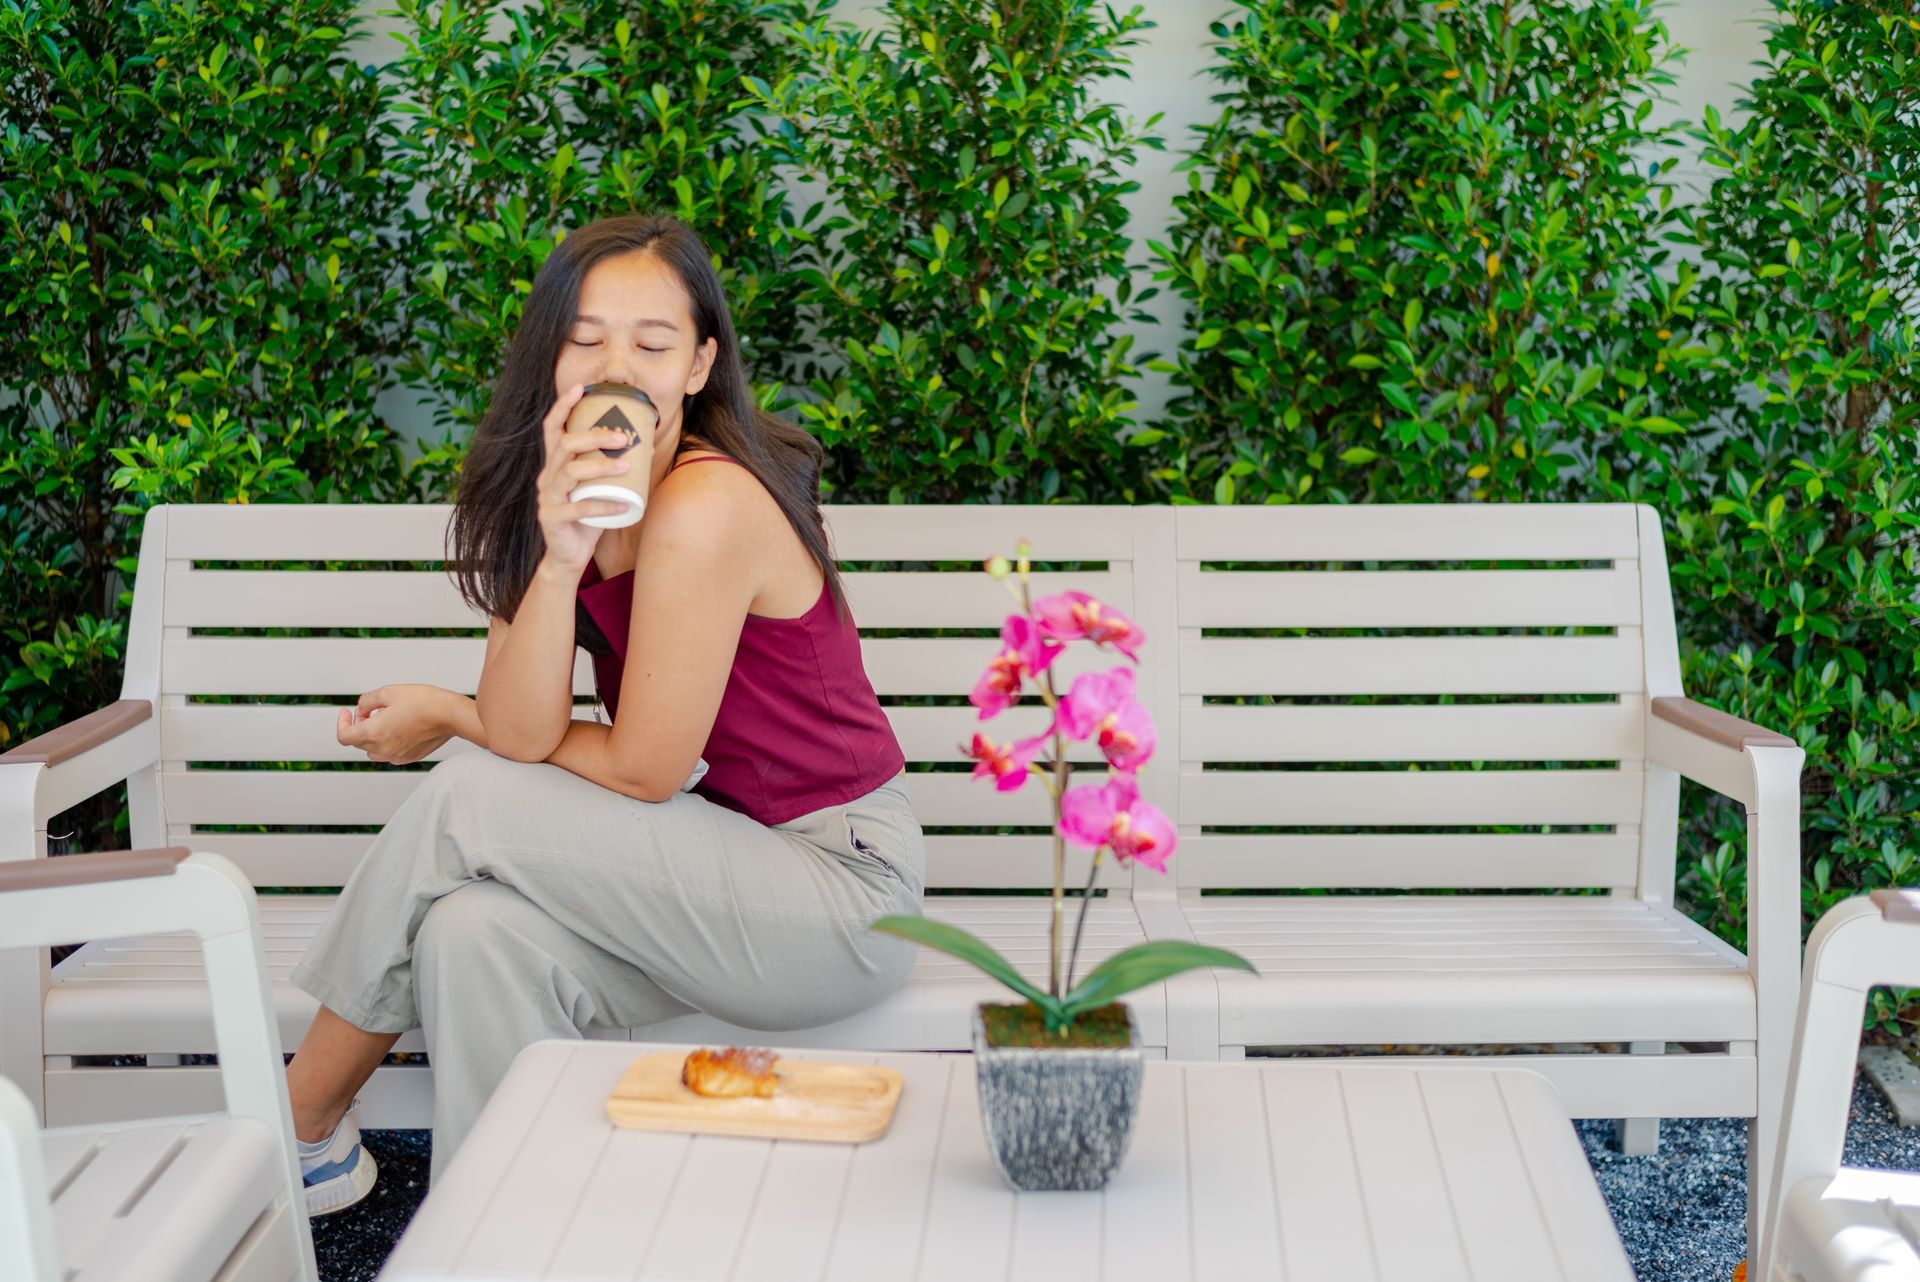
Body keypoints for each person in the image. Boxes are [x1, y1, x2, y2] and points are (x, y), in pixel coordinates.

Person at [284, 213, 923, 1212]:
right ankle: (499, 1230)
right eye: (586, 337)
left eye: (653, 343)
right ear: (551, 357)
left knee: (463, 800)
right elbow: (529, 728)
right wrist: (557, 547)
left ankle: (296, 1125)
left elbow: (642, 771)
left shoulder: (708, 504)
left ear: (700, 365)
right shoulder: (557, 496)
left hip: (836, 889)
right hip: (709, 880)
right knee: (472, 932)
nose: (616, 363)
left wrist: (453, 717)